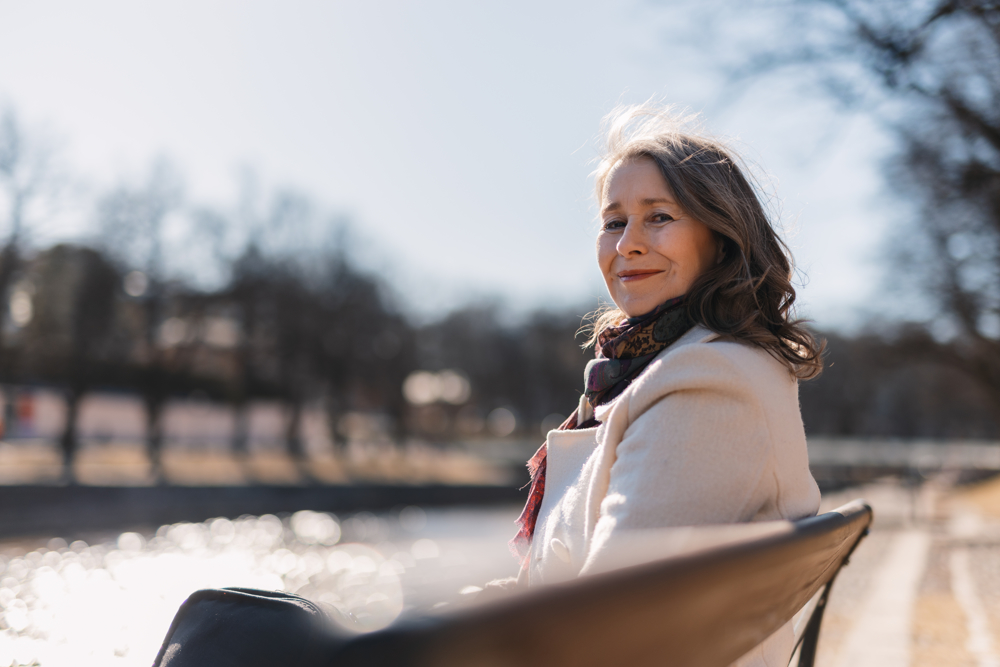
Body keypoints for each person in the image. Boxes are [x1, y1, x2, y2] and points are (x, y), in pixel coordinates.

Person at [505, 105, 824, 666]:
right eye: (613, 222)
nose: (627, 243)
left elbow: (611, 620)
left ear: (721, 238)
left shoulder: (710, 384)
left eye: (658, 217)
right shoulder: (659, 369)